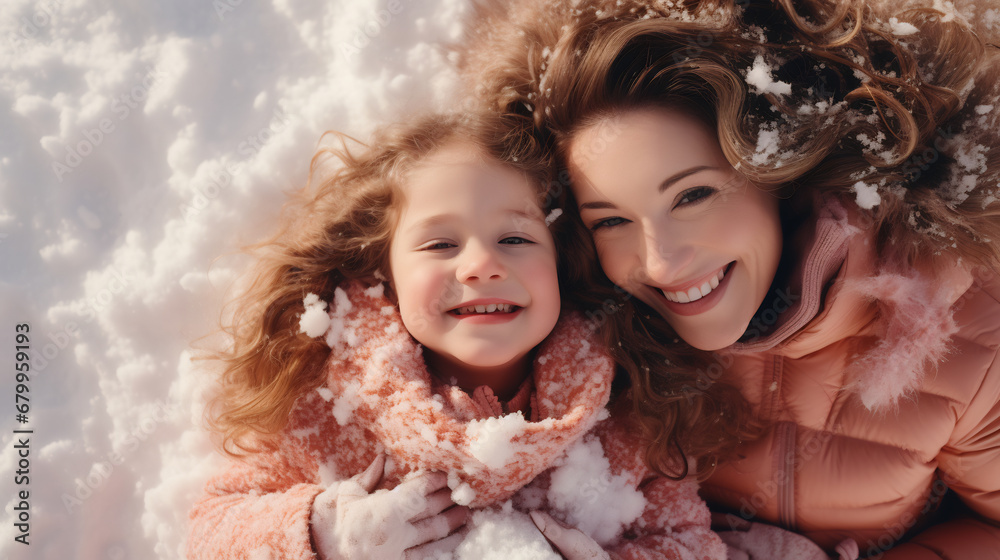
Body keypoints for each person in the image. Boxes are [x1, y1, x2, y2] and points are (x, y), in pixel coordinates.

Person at [462, 0, 1000, 557]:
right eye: (613, 221)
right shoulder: (583, 321)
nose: (663, 264)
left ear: (784, 173)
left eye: (693, 195)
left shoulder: (967, 333)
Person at [185, 111, 736, 560]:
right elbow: (213, 531)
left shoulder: (627, 416)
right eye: (441, 245)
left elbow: (693, 545)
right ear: (386, 275)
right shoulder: (328, 409)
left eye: (516, 238)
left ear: (562, 264)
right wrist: (328, 534)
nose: (480, 264)